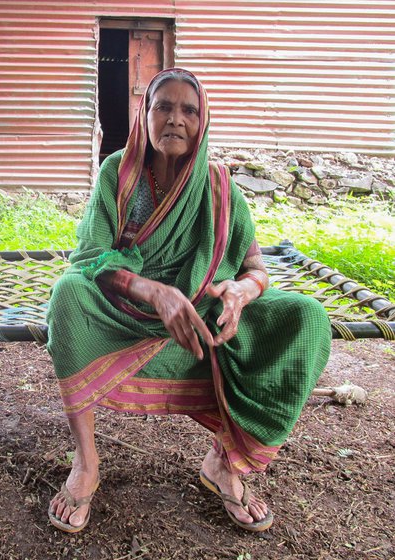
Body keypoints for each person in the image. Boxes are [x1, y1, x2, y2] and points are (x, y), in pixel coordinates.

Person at [46, 68, 331, 533]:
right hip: (127, 311)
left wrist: (241, 291)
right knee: (68, 294)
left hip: (203, 313)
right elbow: (91, 257)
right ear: (146, 113)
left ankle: (223, 463)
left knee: (307, 317)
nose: (175, 119)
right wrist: (154, 291)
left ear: (203, 122)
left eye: (189, 110)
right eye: (164, 106)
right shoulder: (118, 172)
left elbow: (255, 268)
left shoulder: (220, 186)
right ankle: (86, 462)